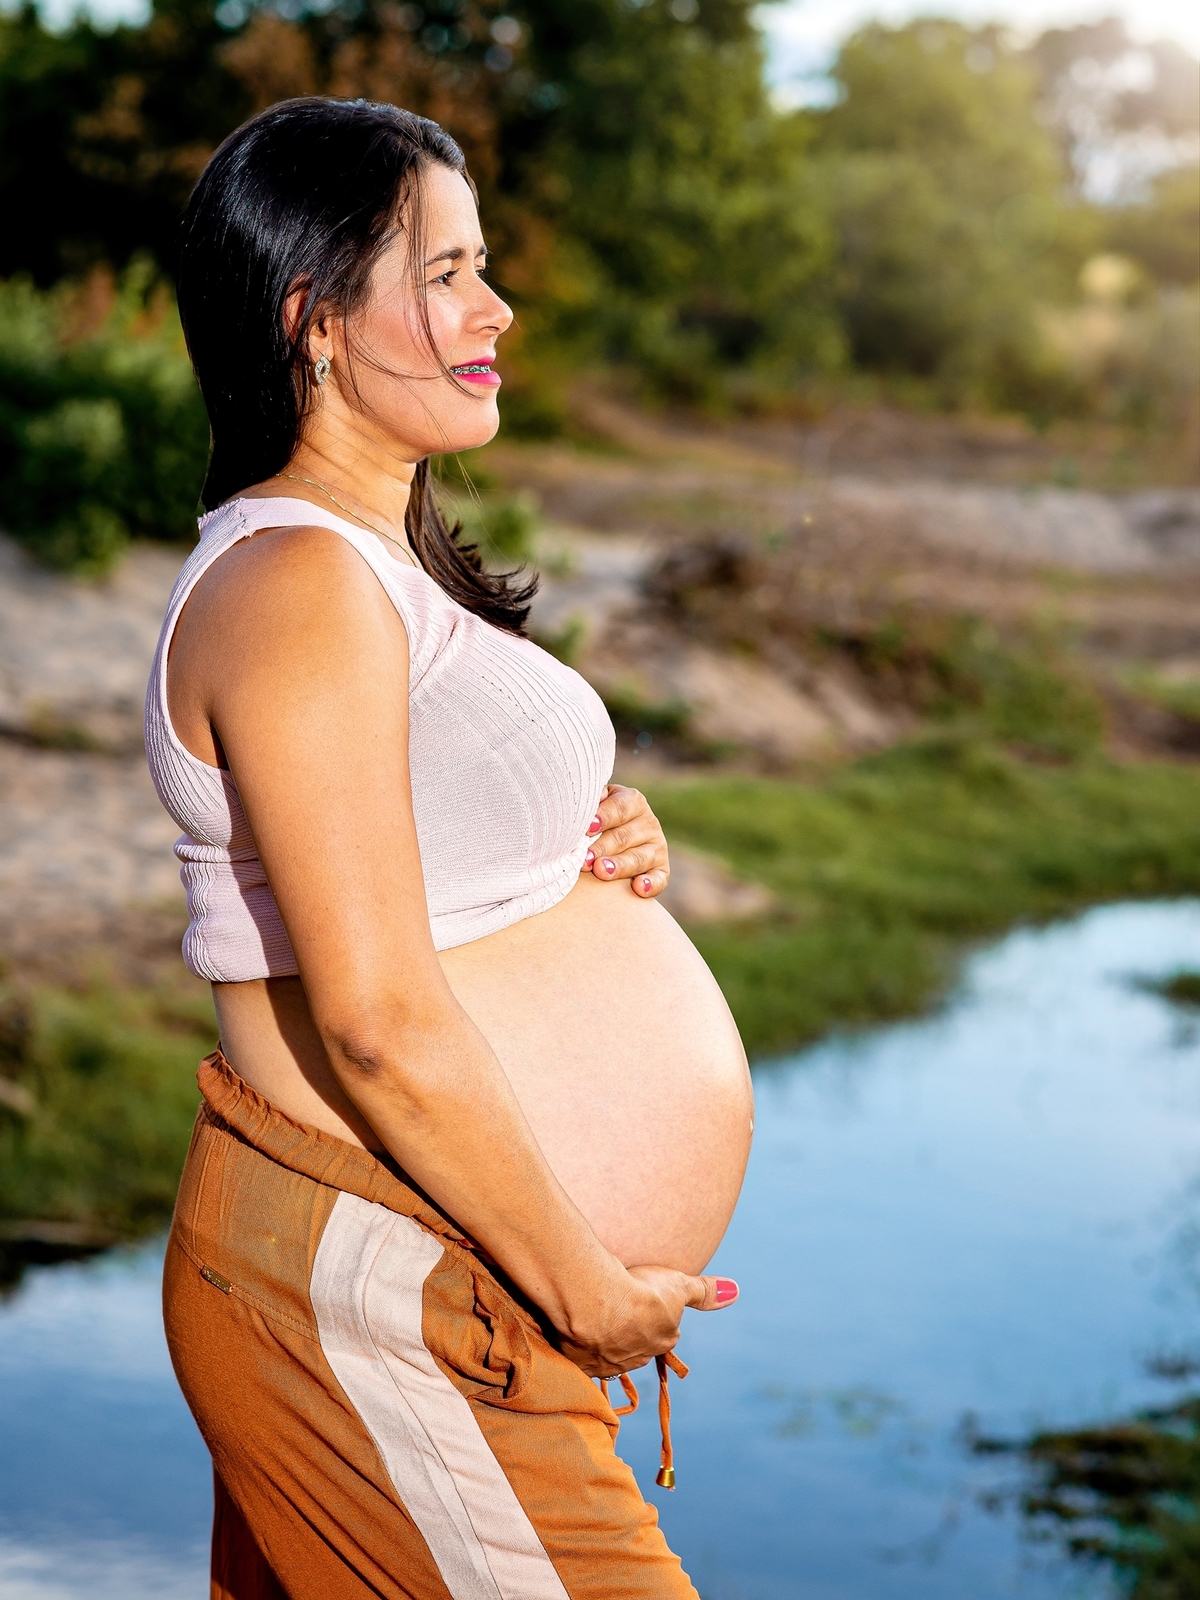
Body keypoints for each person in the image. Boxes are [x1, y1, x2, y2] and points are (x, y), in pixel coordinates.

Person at [147, 96, 753, 1600]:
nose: (498, 310)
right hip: (392, 1288)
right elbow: (375, 1019)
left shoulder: (363, 566)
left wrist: (582, 844)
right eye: (446, 273)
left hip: (439, 1283)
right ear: (313, 320)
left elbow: (417, 840)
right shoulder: (295, 582)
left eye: (484, 268)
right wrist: (584, 1288)